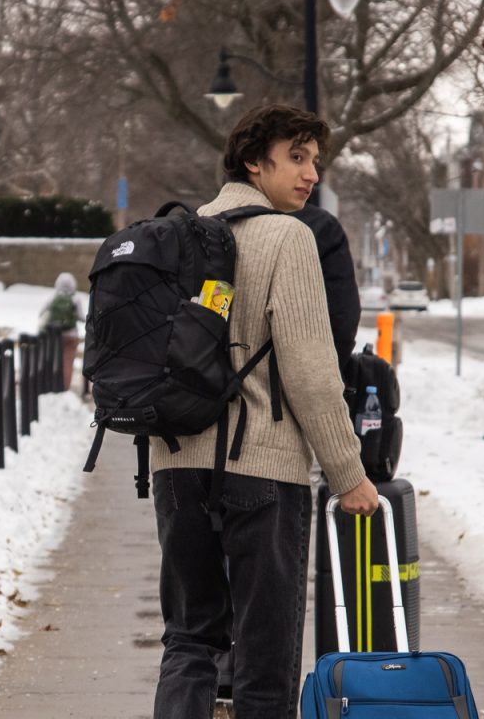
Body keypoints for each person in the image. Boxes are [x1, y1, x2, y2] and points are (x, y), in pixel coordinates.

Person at [149, 104, 379, 719]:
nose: (310, 174)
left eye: (315, 161)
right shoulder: (288, 237)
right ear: (255, 162)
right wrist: (347, 472)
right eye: (297, 157)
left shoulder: (176, 234)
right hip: (262, 472)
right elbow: (310, 369)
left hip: (174, 468)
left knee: (190, 641)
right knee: (265, 657)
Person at [292, 202, 361, 374]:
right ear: (255, 171)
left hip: (219, 389)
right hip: (297, 383)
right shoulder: (320, 226)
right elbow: (342, 320)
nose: (311, 176)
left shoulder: (215, 218)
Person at [40, 272, 83, 389]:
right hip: (72, 335)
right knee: (67, 363)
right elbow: (82, 317)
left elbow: (42, 313)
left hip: (55, 336)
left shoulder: (54, 297)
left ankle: (53, 385)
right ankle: (65, 387)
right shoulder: (75, 299)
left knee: (55, 361)